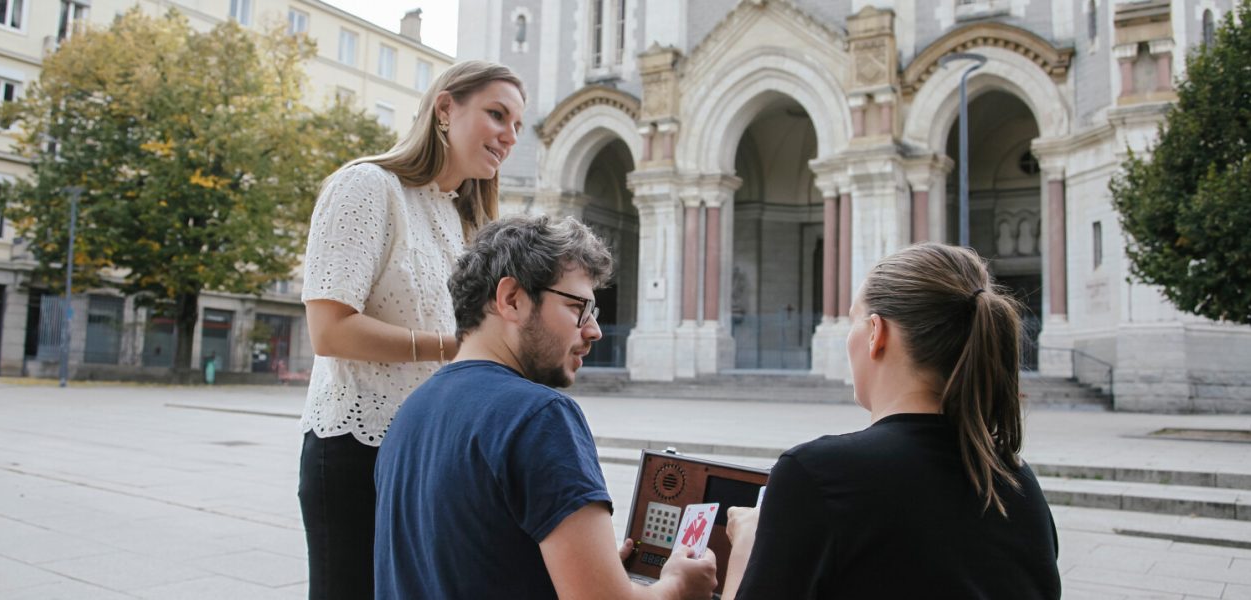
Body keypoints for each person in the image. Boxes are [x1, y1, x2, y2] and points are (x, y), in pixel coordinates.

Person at [374, 214, 719, 599]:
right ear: (512, 300)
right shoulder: (539, 416)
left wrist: (592, 570)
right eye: (578, 308)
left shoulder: (411, 412)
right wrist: (677, 586)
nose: (594, 330)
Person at [298, 60, 526, 599]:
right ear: (446, 108)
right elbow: (329, 331)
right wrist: (454, 349)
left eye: (517, 126)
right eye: (497, 115)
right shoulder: (367, 186)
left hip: (431, 454)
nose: (509, 136)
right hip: (357, 450)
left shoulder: (464, 221)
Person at [721, 242, 1061, 600]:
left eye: (853, 320)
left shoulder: (818, 474)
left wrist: (746, 548)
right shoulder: (1018, 482)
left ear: (875, 333)